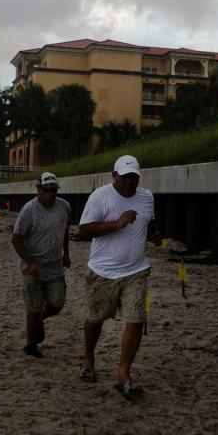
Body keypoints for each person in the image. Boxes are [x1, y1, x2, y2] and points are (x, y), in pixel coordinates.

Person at [77, 155, 162, 399]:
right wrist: (117, 223)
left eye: (134, 178)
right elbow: (84, 230)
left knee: (136, 320)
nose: (130, 183)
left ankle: (123, 374)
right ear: (114, 176)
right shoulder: (100, 197)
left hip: (136, 270)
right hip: (102, 271)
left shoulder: (147, 197)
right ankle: (88, 357)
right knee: (96, 318)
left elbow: (148, 225)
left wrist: (154, 236)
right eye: (125, 178)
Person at [11, 172, 71, 359]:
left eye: (54, 190)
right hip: (32, 269)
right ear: (38, 189)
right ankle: (30, 344)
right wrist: (30, 263)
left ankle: (40, 320)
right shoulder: (29, 210)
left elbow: (65, 230)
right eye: (47, 190)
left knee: (57, 303)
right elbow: (16, 240)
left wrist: (66, 253)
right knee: (33, 307)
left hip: (55, 267)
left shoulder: (64, 206)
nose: (51, 194)